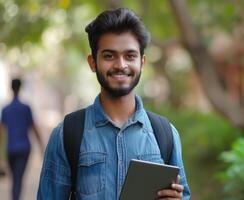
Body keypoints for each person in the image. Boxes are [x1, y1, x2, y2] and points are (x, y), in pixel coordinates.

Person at [37, 8, 191, 199]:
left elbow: (183, 194)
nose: (120, 65)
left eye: (130, 56)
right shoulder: (67, 134)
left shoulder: (165, 134)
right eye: (109, 56)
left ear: (142, 62)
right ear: (93, 63)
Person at [0, 78, 44, 200]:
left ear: (11, 88)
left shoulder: (5, 110)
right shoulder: (26, 108)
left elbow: (1, 132)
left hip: (10, 149)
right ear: (20, 88)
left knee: (15, 177)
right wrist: (41, 146)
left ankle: (15, 197)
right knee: (18, 177)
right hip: (24, 148)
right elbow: (33, 128)